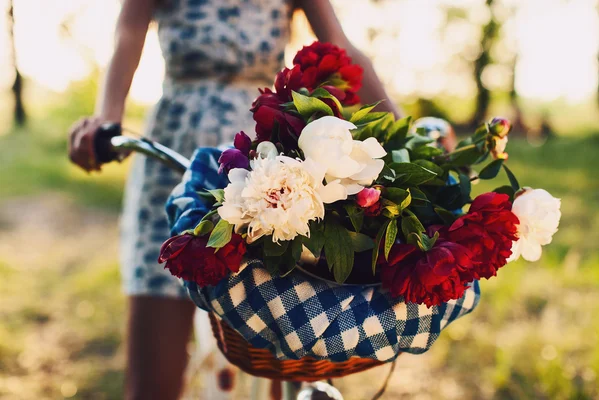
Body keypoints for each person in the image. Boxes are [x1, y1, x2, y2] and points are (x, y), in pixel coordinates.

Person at [68, 1, 405, 399]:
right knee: (153, 369)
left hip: (268, 163)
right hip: (172, 151)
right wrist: (106, 122)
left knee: (291, 329)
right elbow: (127, 36)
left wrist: (405, 134)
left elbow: (340, 46)